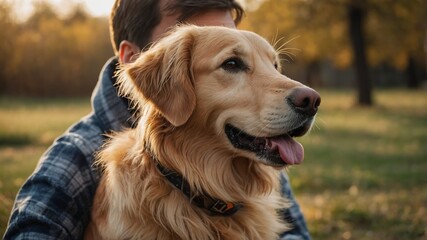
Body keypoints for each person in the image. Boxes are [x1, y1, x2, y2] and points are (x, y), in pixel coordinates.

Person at [4, 0, 311, 239]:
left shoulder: (253, 151)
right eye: (232, 63)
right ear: (133, 59)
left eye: (272, 65)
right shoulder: (77, 155)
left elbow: (296, 234)